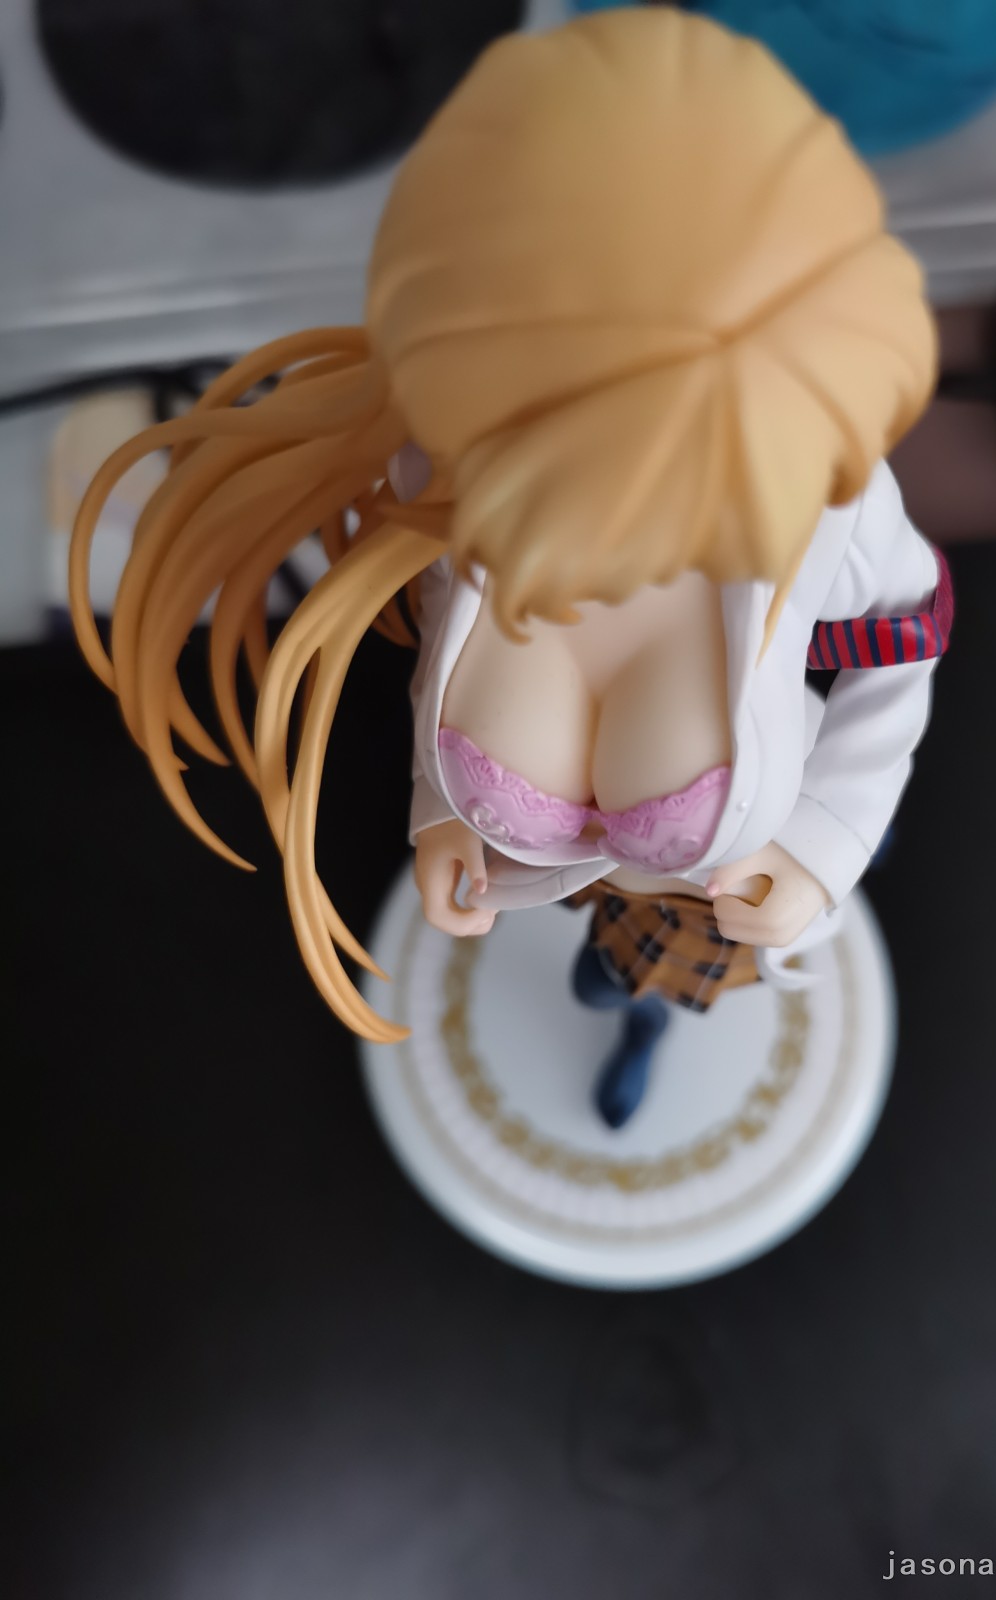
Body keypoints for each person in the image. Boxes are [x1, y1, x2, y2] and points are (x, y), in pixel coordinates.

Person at [69, 10, 948, 1125]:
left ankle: (650, 1024)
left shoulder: (814, 493)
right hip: (581, 892)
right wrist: (445, 806)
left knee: (651, 995)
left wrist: (825, 843)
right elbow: (449, 620)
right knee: (601, 977)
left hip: (731, 890)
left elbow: (906, 640)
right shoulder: (451, 465)